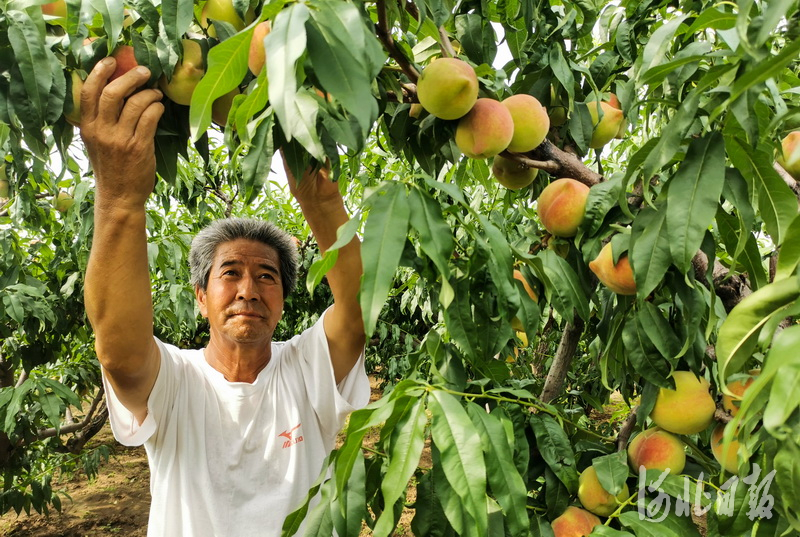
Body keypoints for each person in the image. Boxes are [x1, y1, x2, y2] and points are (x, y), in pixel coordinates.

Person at [80, 57, 369, 536]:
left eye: (267, 277)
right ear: (200, 296)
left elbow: (358, 313)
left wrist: (321, 203)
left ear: (283, 300)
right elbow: (120, 355)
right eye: (229, 272)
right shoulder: (176, 382)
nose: (248, 290)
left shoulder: (306, 369)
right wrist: (120, 197)